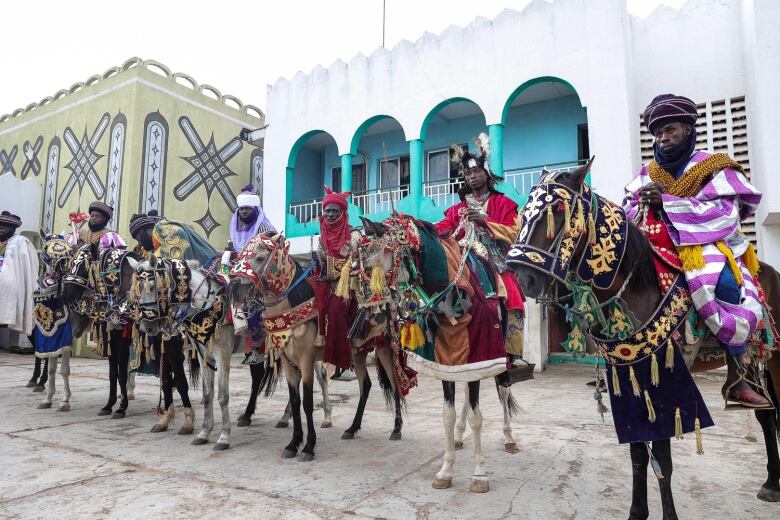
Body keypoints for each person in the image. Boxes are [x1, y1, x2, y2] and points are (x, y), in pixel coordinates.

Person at [624, 93, 769, 408]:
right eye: (658, 132)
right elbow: (627, 213)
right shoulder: (646, 174)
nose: (663, 137)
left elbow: (726, 212)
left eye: (671, 129)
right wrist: (642, 204)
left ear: (688, 129)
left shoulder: (713, 165)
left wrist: (669, 203)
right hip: (656, 241)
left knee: (726, 283)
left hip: (708, 243)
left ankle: (738, 376)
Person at [434, 136, 526, 365]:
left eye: (476, 172)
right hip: (463, 257)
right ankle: (451, 338)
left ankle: (511, 353)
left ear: (486, 174)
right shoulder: (458, 208)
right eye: (467, 174)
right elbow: (442, 228)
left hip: (495, 259)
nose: (472, 176)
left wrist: (484, 222)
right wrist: (418, 228)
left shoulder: (503, 204)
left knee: (509, 291)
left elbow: (514, 233)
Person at [129, 210, 217, 431]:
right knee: (165, 365)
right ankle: (169, 410)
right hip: (159, 314)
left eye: (140, 235)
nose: (139, 241)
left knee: (175, 365)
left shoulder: (169, 233)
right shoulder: (150, 252)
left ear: (149, 230)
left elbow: (182, 271)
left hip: (182, 310)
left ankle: (188, 413)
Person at [66, 201, 132, 416]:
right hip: (87, 291)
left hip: (108, 293)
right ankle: (78, 318)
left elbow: (118, 261)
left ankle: (121, 397)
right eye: (92, 214)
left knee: (120, 353)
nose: (94, 217)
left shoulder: (110, 236)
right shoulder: (80, 233)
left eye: (98, 216)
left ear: (105, 219)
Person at [310, 187, 357, 373]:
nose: (329, 215)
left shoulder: (353, 234)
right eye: (327, 211)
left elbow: (354, 263)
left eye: (334, 211)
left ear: (343, 213)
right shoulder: (321, 235)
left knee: (337, 309)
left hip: (348, 284)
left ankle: (344, 361)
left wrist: (329, 263)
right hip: (324, 282)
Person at [227, 185, 276, 365]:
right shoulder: (236, 227)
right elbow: (236, 249)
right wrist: (228, 254)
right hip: (241, 270)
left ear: (255, 209)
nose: (244, 212)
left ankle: (258, 348)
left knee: (254, 306)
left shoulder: (262, 226)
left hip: (261, 271)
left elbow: (266, 253)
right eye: (242, 209)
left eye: (248, 208)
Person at [0, 211, 39, 336]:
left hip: (11, 288)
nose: (1, 228)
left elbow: (26, 269)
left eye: (5, 226)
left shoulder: (20, 242)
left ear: (13, 228)